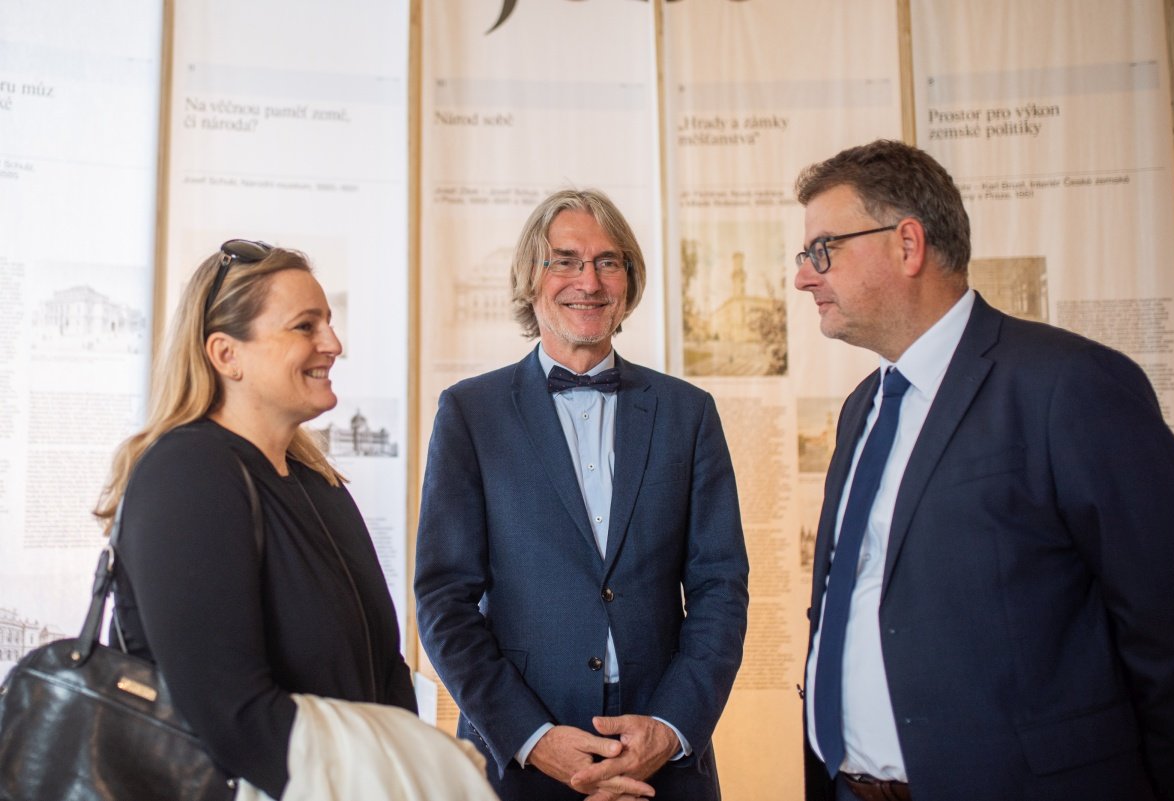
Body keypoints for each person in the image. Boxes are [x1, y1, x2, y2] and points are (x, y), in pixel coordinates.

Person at [792, 139, 1174, 801]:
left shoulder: (1069, 385)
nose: (805, 278)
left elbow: (1170, 622)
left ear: (908, 244)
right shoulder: (864, 407)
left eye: (822, 250)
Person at [414, 188, 750, 801]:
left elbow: (720, 589)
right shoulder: (470, 413)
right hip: (521, 761)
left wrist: (671, 728)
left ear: (629, 281)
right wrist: (532, 737)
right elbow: (443, 601)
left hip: (665, 759)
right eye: (565, 261)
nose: (588, 282)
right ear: (530, 278)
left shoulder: (689, 412)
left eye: (608, 262)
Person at [94, 241, 423, 799]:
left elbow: (384, 670)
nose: (333, 344)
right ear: (226, 355)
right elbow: (233, 717)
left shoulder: (318, 482)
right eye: (305, 326)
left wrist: (407, 770)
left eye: (329, 322)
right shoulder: (187, 474)